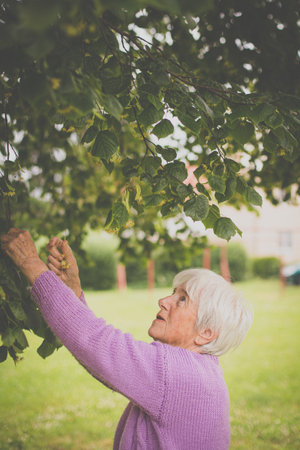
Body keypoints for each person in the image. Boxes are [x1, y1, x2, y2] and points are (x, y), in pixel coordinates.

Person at [1, 228, 253, 450]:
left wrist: (30, 263)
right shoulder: (198, 370)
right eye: (172, 293)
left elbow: (95, 342)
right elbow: (102, 361)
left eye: (182, 299)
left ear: (206, 332)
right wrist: (73, 290)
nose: (164, 301)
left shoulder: (177, 374)